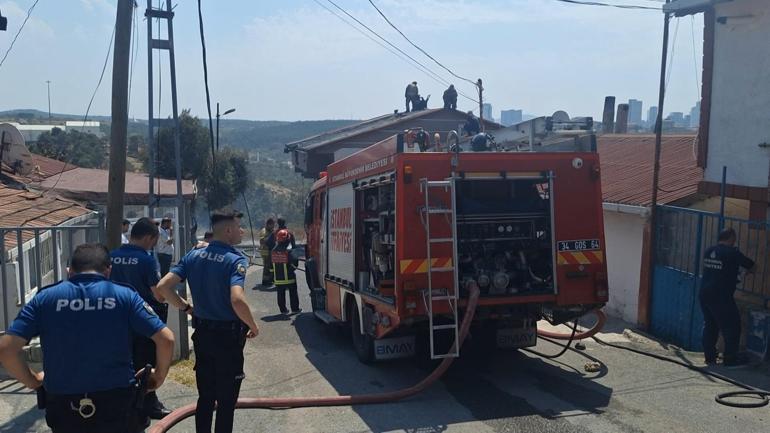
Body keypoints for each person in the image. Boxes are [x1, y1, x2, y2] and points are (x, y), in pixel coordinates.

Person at [0, 244, 174, 433]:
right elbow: (166, 339)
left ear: (70, 271)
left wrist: (33, 381)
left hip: (64, 405)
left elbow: (7, 349)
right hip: (118, 401)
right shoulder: (125, 296)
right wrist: (158, 377)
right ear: (109, 271)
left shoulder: (45, 299)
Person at [156, 208, 259, 433]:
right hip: (227, 339)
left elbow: (163, 286)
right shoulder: (235, 259)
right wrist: (253, 325)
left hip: (203, 335)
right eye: (239, 226)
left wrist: (186, 307)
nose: (242, 230)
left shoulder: (194, 255)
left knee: (205, 397)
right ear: (229, 230)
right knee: (226, 401)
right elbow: (237, 299)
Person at [110, 217, 171, 419]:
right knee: (146, 363)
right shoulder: (146, 259)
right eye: (154, 239)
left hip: (116, 319)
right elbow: (157, 292)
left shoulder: (112, 256)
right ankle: (148, 404)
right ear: (147, 237)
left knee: (122, 361)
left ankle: (122, 402)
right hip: (143, 319)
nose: (154, 244)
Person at [700, 227, 756, 367]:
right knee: (732, 326)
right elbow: (751, 265)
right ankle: (730, 359)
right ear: (731, 238)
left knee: (710, 325)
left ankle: (710, 357)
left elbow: (720, 270)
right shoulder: (732, 253)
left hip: (704, 293)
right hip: (721, 296)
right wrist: (744, 273)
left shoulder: (709, 250)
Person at [272, 229, 300, 315]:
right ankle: (295, 309)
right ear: (288, 239)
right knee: (293, 293)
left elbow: (270, 264)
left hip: (278, 278)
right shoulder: (289, 250)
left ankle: (283, 310)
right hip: (289, 277)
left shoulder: (273, 250)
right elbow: (295, 262)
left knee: (280, 294)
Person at [258, 218, 275, 288]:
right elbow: (262, 241)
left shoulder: (272, 231)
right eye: (272, 225)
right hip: (265, 252)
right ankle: (265, 281)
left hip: (271, 251)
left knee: (270, 267)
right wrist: (269, 238)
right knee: (266, 267)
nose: (273, 227)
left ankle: (270, 280)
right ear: (268, 224)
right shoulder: (264, 231)